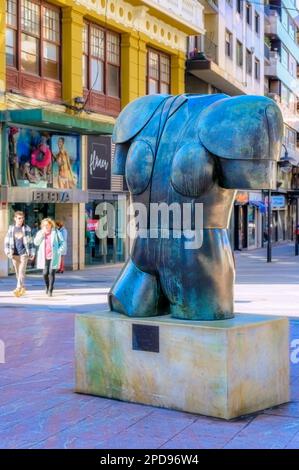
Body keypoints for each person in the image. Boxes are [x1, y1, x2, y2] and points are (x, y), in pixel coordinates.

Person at [4, 211, 35, 297]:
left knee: (21, 271)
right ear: (15, 219)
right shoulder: (11, 229)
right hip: (14, 254)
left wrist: (32, 253)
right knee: (18, 272)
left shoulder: (27, 228)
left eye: (22, 218)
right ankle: (22, 286)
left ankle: (18, 287)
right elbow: (6, 241)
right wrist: (7, 252)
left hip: (24, 253)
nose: (21, 220)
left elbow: (31, 241)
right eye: (19, 218)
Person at [34, 218, 65, 297]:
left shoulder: (56, 232)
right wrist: (42, 235)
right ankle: (47, 286)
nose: (46, 227)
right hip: (44, 256)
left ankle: (50, 289)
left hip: (54, 256)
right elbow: (36, 243)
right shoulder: (40, 233)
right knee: (45, 273)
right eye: (44, 225)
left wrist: (59, 251)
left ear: (51, 225)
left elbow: (63, 242)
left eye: (47, 225)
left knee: (51, 272)